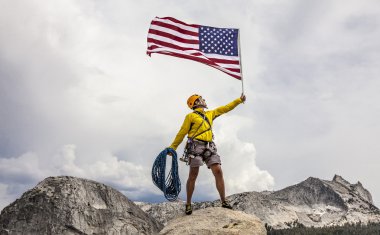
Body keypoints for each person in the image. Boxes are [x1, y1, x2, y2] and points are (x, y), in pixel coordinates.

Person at [168, 93, 246, 215]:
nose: (204, 100)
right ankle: (188, 204)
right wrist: (172, 147)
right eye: (201, 99)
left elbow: (225, 108)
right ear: (196, 103)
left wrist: (239, 100)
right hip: (195, 146)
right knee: (193, 174)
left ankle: (223, 201)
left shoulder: (210, 114)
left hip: (209, 146)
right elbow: (182, 133)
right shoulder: (190, 116)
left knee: (218, 171)